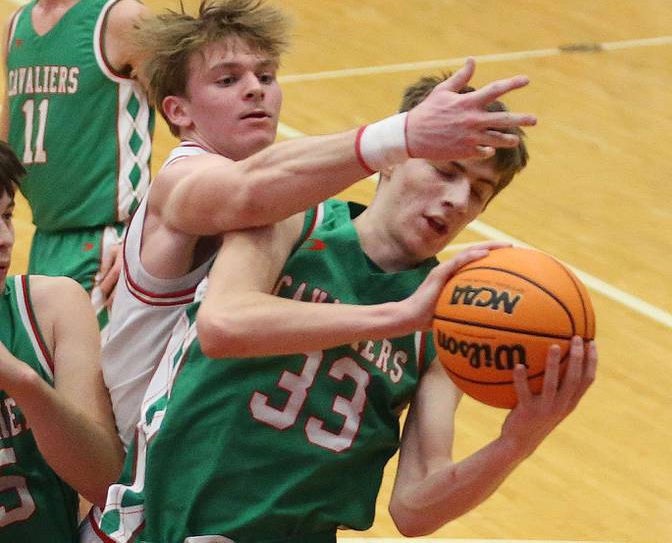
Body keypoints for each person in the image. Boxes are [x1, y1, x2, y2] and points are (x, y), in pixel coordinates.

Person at [96, 73, 597, 542]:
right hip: (154, 522)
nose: (458, 200)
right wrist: (395, 318)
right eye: (447, 171)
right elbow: (224, 325)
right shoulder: (296, 219)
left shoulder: (448, 318)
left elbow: (415, 508)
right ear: (397, 157)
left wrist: (515, 443)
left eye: (479, 193)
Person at [99, 0, 538, 455]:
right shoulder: (185, 175)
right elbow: (245, 194)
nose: (255, 88)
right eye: (227, 80)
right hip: (127, 465)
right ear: (178, 111)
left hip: (183, 458)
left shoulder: (271, 202)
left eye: (266, 75)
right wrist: (404, 136)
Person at [1, 0, 154, 337]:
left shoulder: (122, 17)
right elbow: (5, 149)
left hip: (107, 244)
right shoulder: (15, 25)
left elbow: (191, 121)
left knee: (86, 387)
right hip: (44, 239)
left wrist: (154, 229)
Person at [0, 141, 123, 541]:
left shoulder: (52, 306)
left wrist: (25, 383)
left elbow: (104, 482)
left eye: (6, 216)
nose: (5, 238)